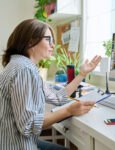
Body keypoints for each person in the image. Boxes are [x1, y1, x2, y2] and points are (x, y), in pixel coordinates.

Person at [0, 19, 101, 150]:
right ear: (30, 41)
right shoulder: (24, 70)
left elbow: (57, 98)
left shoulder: (24, 67)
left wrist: (81, 74)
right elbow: (28, 125)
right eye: (48, 39)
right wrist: (68, 110)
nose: (53, 45)